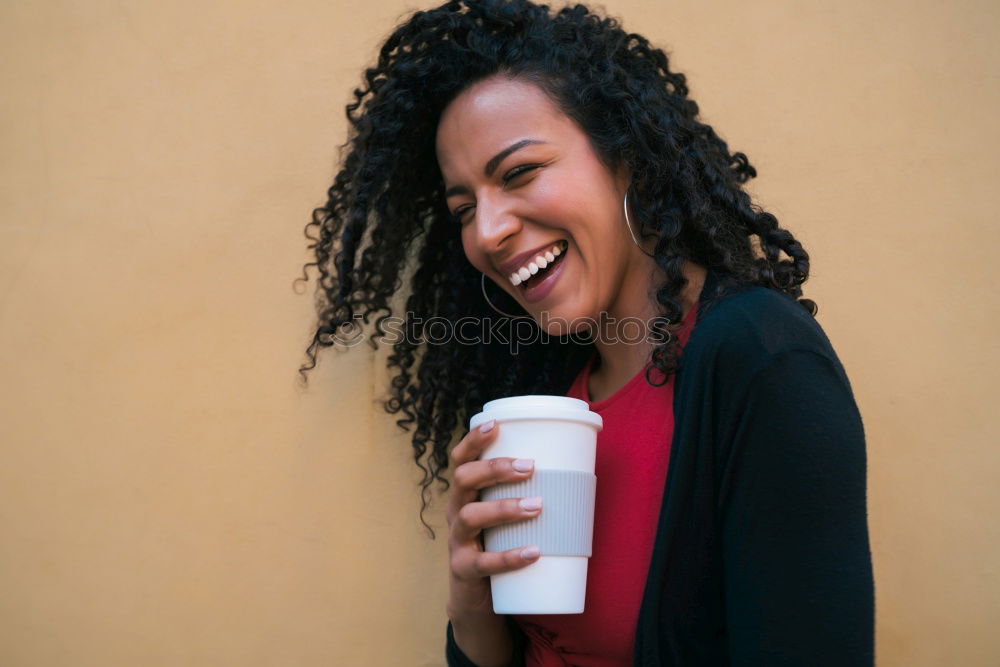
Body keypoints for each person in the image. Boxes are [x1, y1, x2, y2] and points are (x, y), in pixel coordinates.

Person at [296, 0, 875, 664]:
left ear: (624, 154)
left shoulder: (762, 364)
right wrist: (471, 605)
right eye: (464, 209)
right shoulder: (540, 373)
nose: (487, 233)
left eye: (519, 173)